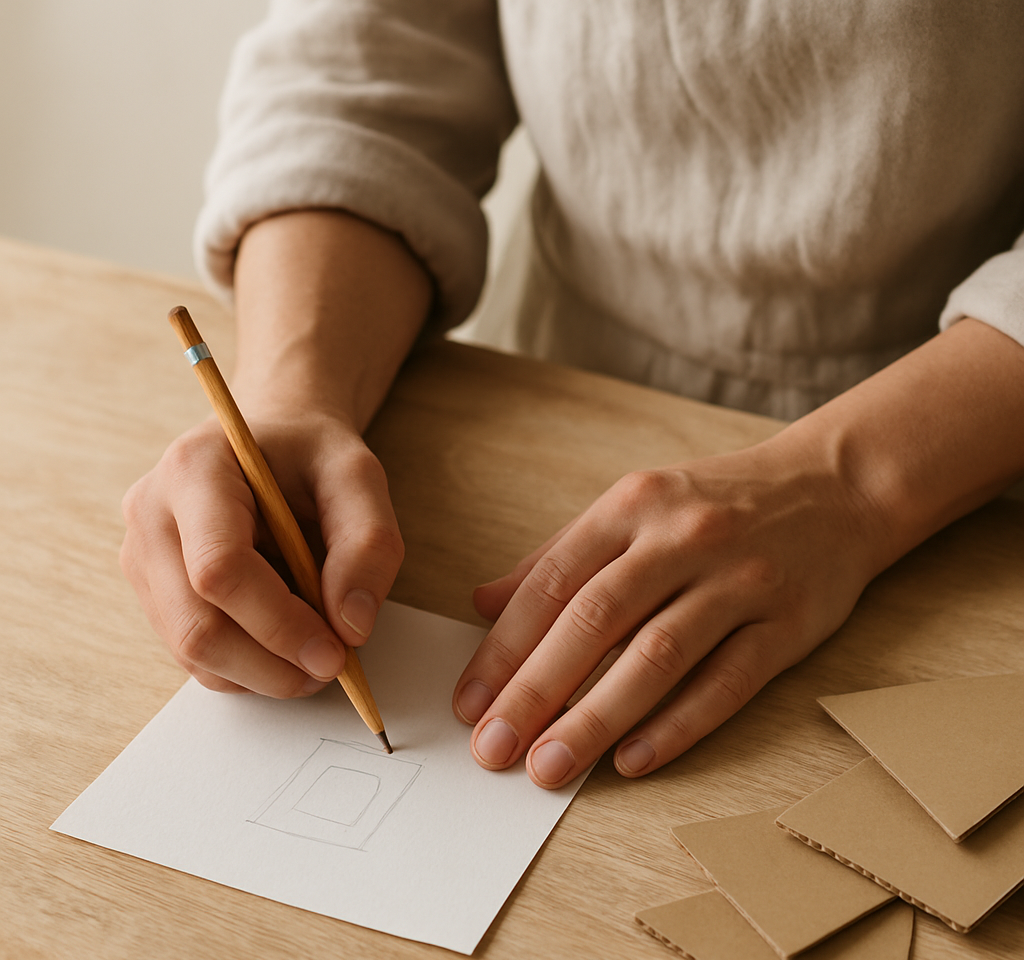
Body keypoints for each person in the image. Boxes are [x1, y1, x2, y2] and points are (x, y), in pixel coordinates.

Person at [121, 3, 1024, 791]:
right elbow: (366, 74)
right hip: (541, 397)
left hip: (963, 436)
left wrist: (852, 488)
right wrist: (297, 393)